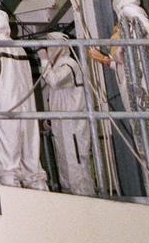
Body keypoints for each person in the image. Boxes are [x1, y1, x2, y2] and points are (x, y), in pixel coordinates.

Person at [89, 0, 149, 193]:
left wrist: (115, 44)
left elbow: (133, 47)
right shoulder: (128, 16)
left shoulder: (131, 14)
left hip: (143, 92)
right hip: (138, 90)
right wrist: (104, 59)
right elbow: (125, 63)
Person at [0, 7, 48, 189]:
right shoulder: (20, 49)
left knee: (8, 166)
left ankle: (15, 209)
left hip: (6, 112)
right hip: (28, 113)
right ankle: (43, 203)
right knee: (32, 164)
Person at [37, 32, 95, 195]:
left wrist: (43, 60)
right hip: (61, 124)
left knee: (76, 167)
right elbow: (58, 96)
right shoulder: (57, 66)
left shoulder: (69, 65)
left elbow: (55, 81)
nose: (48, 49)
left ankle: (86, 204)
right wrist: (51, 118)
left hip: (73, 126)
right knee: (65, 167)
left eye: (50, 46)